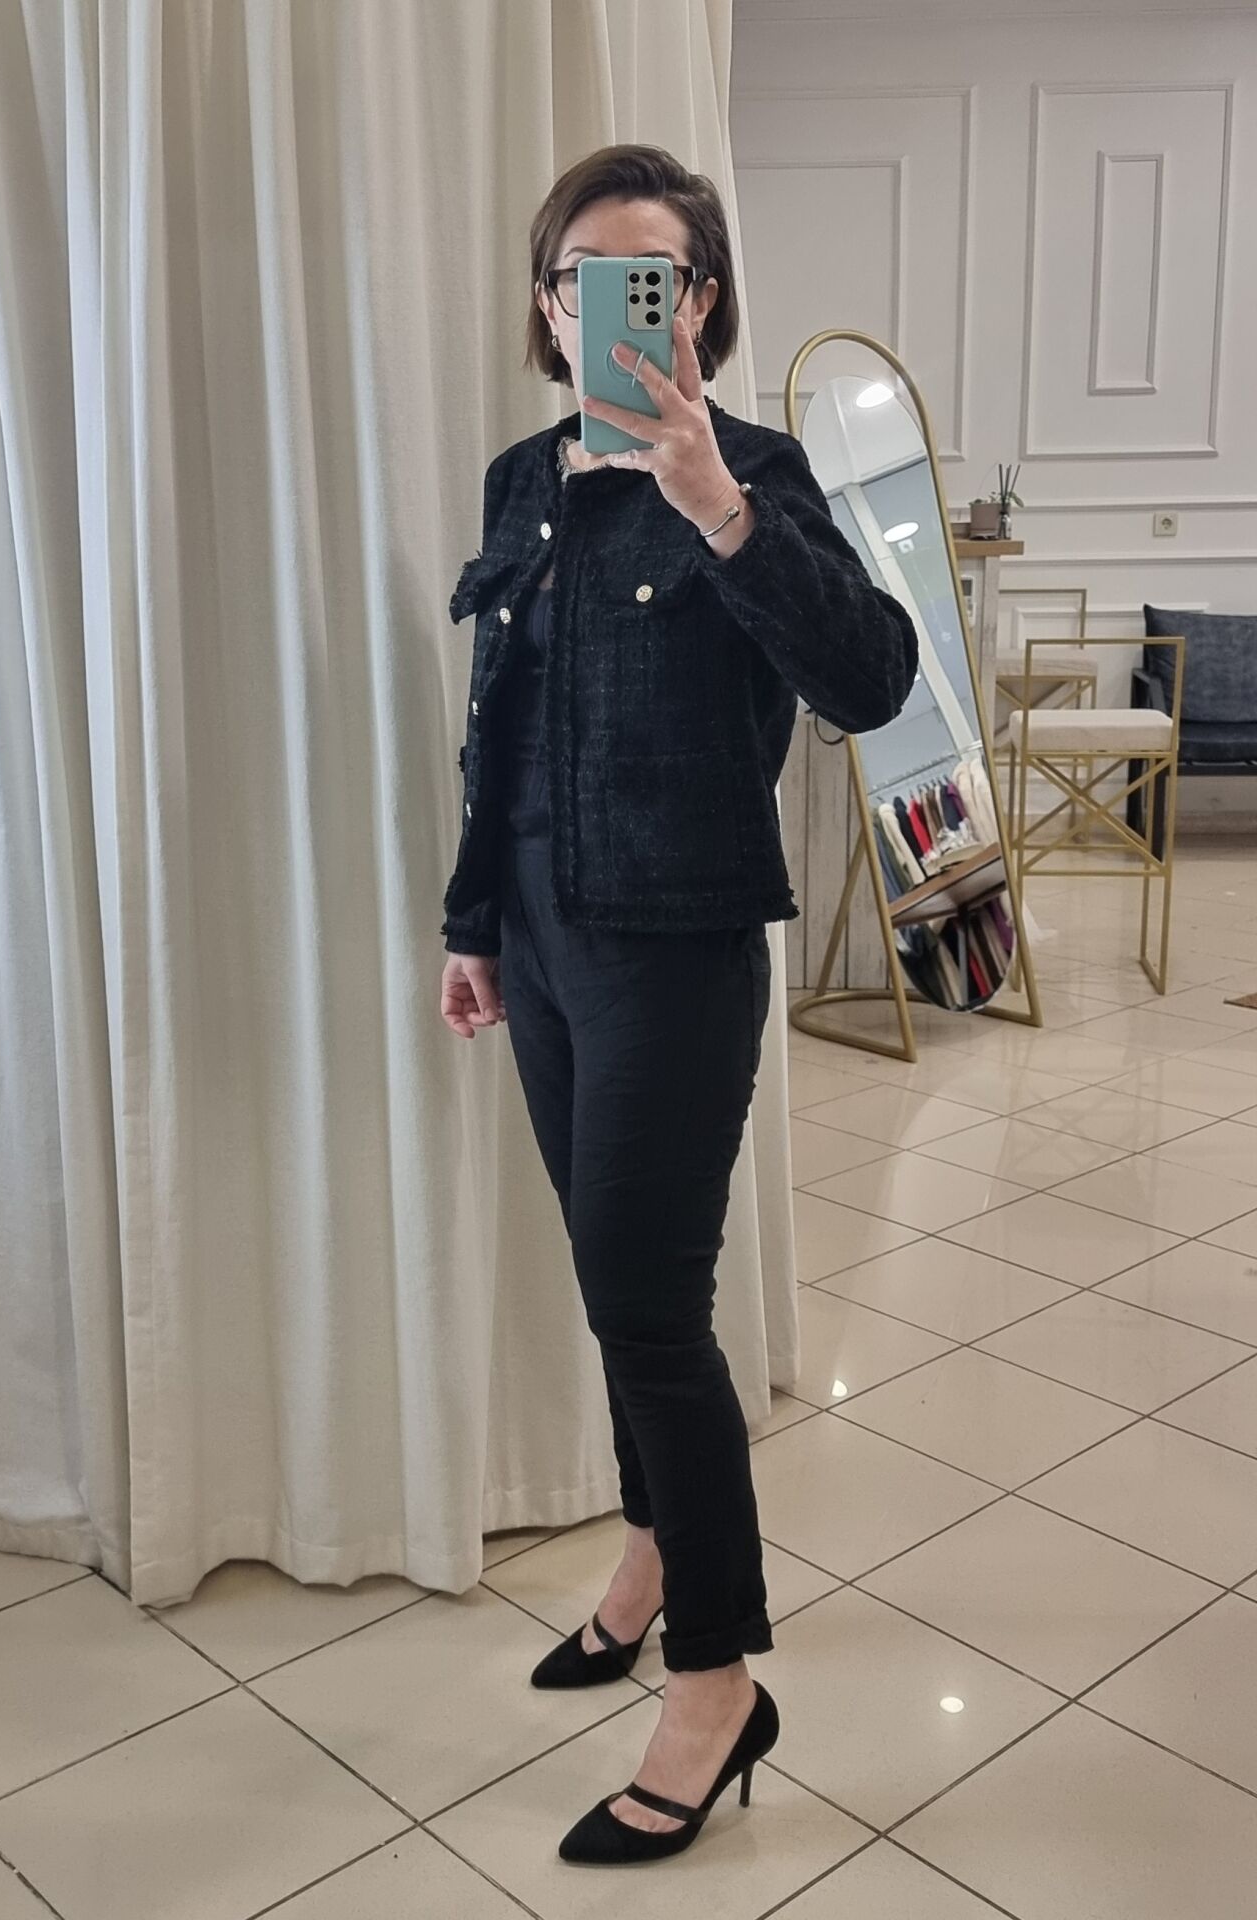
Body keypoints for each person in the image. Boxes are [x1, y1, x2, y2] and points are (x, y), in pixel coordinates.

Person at [438, 144, 917, 1866]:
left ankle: (716, 1682)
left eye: (655, 276)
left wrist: (716, 502)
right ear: (551, 306)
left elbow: (872, 679)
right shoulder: (522, 478)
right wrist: (472, 922)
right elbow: (498, 721)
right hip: (544, 938)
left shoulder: (758, 471)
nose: (615, 305)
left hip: (679, 943)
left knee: (650, 1312)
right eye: (583, 278)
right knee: (613, 1290)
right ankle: (648, 1558)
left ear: (699, 304)